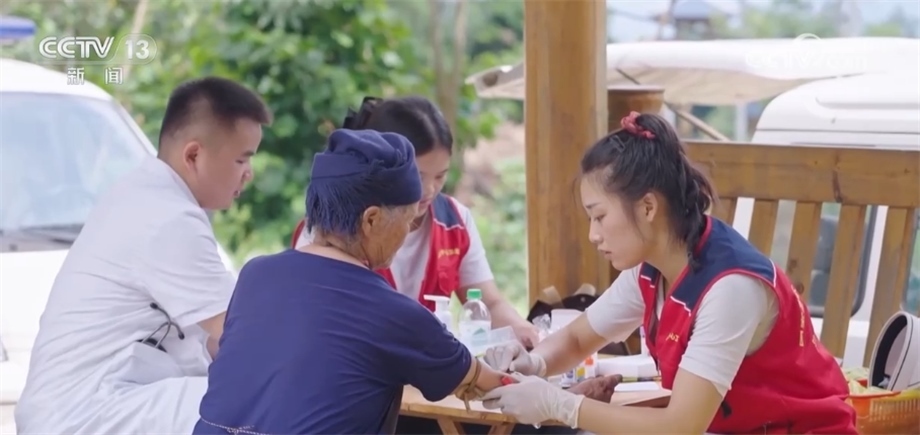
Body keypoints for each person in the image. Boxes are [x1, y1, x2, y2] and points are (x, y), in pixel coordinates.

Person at [481, 112, 857, 434]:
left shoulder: (731, 287)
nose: (593, 235)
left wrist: (560, 405)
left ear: (647, 207)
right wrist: (535, 362)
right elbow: (578, 340)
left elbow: (680, 426)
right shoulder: (652, 269)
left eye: (600, 216)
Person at [194, 129, 505, 434]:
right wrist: (520, 367)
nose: (407, 233)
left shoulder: (255, 275)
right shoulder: (393, 313)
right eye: (408, 221)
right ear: (372, 220)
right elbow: (485, 382)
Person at [15, 77, 272, 434]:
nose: (248, 174)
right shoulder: (167, 218)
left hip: (83, 404)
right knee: (254, 402)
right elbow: (245, 333)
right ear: (194, 155)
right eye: (241, 159)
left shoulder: (146, 195)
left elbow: (220, 339)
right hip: (85, 411)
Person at [291, 96, 540, 347]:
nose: (429, 190)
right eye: (417, 177)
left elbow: (489, 302)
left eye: (440, 176)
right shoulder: (331, 230)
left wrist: (521, 330)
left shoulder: (454, 221)